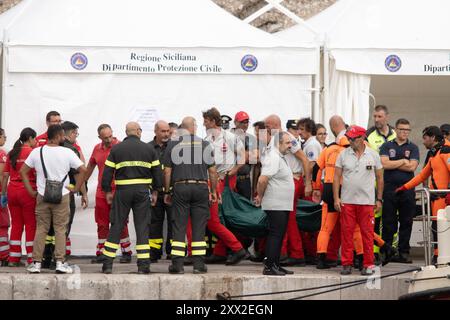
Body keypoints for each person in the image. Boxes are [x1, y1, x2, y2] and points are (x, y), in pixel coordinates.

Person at [21, 124, 87, 274]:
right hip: (62, 196)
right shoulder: (67, 152)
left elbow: (23, 171)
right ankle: (59, 263)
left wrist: (31, 191)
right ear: (57, 136)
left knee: (41, 228)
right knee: (60, 229)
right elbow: (83, 170)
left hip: (42, 195)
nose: (63, 138)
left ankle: (36, 263)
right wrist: (76, 188)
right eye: (62, 135)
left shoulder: (37, 151)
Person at [100, 122, 162, 274]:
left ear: (126, 133)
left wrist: (107, 191)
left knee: (117, 225)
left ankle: (107, 264)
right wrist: (155, 192)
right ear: (139, 132)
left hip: (122, 192)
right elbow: (157, 174)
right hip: (142, 192)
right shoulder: (149, 149)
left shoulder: (116, 149)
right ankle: (143, 266)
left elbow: (107, 172)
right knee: (142, 227)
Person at [163, 117, 218, 274]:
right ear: (193, 127)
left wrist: (167, 191)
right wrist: (213, 191)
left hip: (180, 187)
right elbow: (212, 171)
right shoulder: (205, 144)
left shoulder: (173, 145)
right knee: (199, 226)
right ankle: (199, 265)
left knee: (179, 225)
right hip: (201, 187)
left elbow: (167, 171)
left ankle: (177, 265)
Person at [334, 125, 384, 276]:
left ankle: (368, 264)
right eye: (348, 138)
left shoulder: (373, 155)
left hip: (367, 202)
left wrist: (379, 199)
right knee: (347, 233)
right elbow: (336, 177)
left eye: (352, 138)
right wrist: (337, 198)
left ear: (362, 138)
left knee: (367, 235)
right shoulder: (343, 154)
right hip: (347, 201)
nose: (349, 141)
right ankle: (346, 264)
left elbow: (380, 177)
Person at [396, 126, 450, 264]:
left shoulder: (445, 151)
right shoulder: (434, 154)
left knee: (441, 229)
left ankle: (440, 258)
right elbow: (422, 176)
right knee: (437, 229)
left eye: (425, 138)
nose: (423, 142)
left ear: (433, 138)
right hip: (436, 198)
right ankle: (438, 257)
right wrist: (404, 187)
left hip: (444, 198)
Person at [203, 107, 247, 265]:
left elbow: (242, 158)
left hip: (224, 180)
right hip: (213, 180)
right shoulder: (207, 139)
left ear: (213, 121)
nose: (203, 124)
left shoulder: (230, 137)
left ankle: (237, 249)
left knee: (215, 219)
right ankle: (220, 251)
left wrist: (232, 171)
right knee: (217, 219)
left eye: (206, 121)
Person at [265, 115, 311, 267]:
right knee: (284, 219)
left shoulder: (287, 137)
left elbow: (304, 159)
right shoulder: (275, 138)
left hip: (290, 180)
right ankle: (281, 254)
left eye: (268, 125)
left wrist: (307, 182)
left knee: (287, 219)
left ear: (275, 124)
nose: (266, 128)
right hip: (284, 180)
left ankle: (292, 254)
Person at [85, 124, 132, 263]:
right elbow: (89, 167)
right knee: (102, 223)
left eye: (110, 136)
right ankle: (102, 252)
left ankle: (126, 252)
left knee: (121, 222)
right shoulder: (96, 149)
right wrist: (83, 184)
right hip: (101, 192)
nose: (109, 139)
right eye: (105, 137)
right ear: (100, 137)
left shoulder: (120, 147)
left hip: (118, 190)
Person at [254, 131, 295, 276]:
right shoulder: (273, 157)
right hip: (275, 204)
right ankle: (270, 266)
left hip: (282, 204)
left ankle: (276, 264)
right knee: (276, 234)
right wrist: (260, 195)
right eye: (288, 142)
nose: (291, 145)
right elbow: (262, 179)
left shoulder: (280, 157)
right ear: (279, 143)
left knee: (280, 234)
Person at [379, 119, 419, 264]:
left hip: (407, 189)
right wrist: (403, 161)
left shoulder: (413, 147)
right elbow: (384, 164)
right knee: (388, 221)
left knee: (406, 221)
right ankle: (387, 251)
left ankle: (403, 252)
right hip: (390, 189)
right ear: (395, 129)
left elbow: (412, 167)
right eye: (402, 129)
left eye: (407, 130)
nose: (404, 132)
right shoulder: (386, 145)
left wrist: (394, 162)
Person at [2, 128, 37, 267]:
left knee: (16, 224)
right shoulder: (32, 153)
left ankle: (13, 258)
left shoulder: (12, 152)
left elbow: (5, 176)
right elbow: (36, 173)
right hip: (27, 191)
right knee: (30, 224)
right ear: (30, 138)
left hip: (12, 191)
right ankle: (31, 258)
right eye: (34, 139)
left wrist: (3, 194)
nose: (35, 141)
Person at [366, 105, 396, 263]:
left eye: (379, 116)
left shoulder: (395, 134)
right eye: (375, 116)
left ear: (387, 117)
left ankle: (392, 249)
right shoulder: (368, 135)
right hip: (374, 183)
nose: (376, 119)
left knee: (391, 218)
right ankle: (375, 252)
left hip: (392, 183)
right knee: (374, 219)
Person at [61, 121, 88, 256]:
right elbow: (79, 173)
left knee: (48, 229)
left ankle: (46, 258)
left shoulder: (47, 148)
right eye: (75, 134)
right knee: (64, 226)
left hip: (47, 193)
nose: (76, 137)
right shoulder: (71, 150)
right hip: (66, 193)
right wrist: (83, 192)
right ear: (70, 133)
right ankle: (58, 258)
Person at [148, 120, 173, 262]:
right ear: (155, 131)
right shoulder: (148, 148)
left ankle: (171, 251)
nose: (166, 134)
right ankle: (154, 252)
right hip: (155, 192)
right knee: (154, 222)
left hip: (171, 192)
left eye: (167, 131)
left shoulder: (174, 147)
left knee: (173, 221)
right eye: (163, 131)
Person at [231, 111, 255, 200]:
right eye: (242, 122)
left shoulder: (251, 138)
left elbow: (255, 158)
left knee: (246, 207)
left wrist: (242, 154)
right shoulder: (228, 136)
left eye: (247, 122)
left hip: (245, 179)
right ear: (235, 122)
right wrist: (247, 154)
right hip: (231, 177)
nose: (245, 125)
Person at [0, 129, 10, 266]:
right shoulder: (1, 153)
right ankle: (3, 256)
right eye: (4, 136)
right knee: (2, 224)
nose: (5, 139)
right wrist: (3, 193)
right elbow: (2, 175)